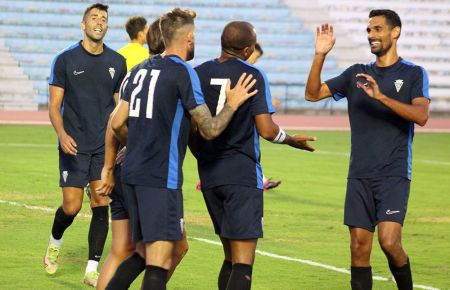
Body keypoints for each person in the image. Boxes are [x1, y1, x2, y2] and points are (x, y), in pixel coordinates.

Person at [110, 8, 258, 289]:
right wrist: (233, 103)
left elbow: (116, 122)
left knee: (142, 254)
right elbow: (210, 128)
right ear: (189, 38)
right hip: (159, 177)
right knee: (158, 261)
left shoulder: (141, 70)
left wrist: (138, 143)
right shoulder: (183, 72)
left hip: (131, 174)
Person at [304, 9, 430, 290]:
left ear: (395, 32)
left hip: (393, 174)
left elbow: (421, 116)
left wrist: (381, 96)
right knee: (359, 248)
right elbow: (312, 94)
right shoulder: (355, 74)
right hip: (359, 174)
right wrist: (320, 55)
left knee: (389, 242)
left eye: (377, 29)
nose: (371, 35)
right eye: (369, 30)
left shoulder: (412, 74)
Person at [193, 21, 316, 290]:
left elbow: (190, 126)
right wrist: (292, 140)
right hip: (241, 174)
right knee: (243, 264)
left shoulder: (197, 73)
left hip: (210, 176)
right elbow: (267, 130)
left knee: (229, 257)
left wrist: (201, 156)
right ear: (248, 49)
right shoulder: (252, 75)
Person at [96, 17, 188, 290]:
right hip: (152, 174)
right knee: (172, 249)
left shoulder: (135, 72)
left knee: (122, 249)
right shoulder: (173, 73)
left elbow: (114, 123)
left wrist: (109, 168)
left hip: (125, 170)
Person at [44, 3, 127, 287]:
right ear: (83, 24)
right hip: (73, 145)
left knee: (100, 202)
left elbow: (119, 109)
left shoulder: (118, 62)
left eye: (104, 18)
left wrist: (125, 139)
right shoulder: (65, 59)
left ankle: (92, 268)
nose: (99, 22)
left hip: (104, 147)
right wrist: (62, 134)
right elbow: (54, 107)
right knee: (72, 206)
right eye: (94, 17)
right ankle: (55, 241)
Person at [195, 42, 282, 192]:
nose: (254, 61)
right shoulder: (248, 74)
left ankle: (262, 179)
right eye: (254, 57)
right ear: (247, 51)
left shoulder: (208, 70)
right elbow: (267, 130)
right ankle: (260, 180)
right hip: (231, 139)